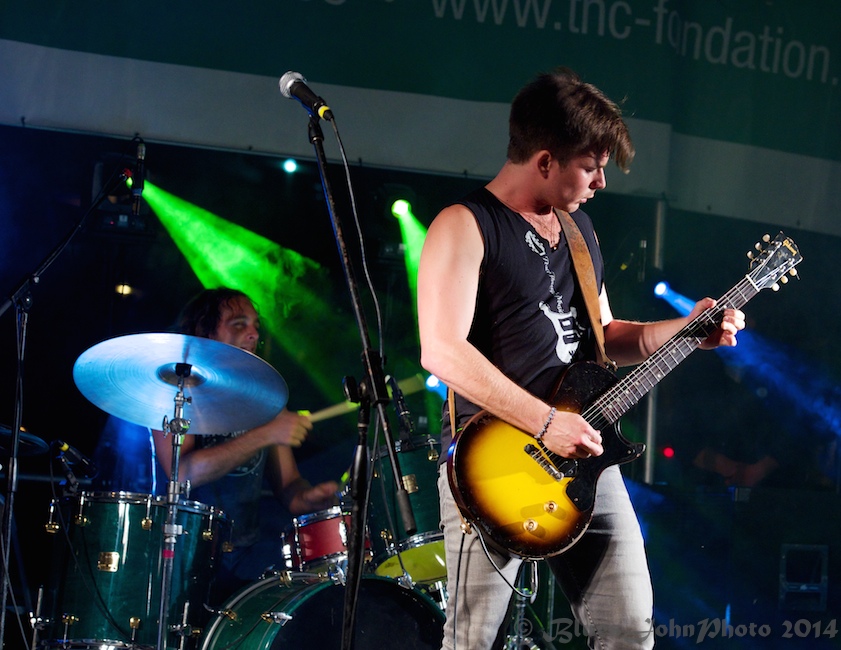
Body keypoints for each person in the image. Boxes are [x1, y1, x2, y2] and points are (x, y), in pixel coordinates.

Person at [416, 68, 746, 649]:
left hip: (587, 459)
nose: (599, 182)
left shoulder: (579, 230)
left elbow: (608, 335)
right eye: (590, 167)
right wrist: (546, 422)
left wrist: (690, 330)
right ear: (545, 161)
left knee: (628, 631)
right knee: (472, 640)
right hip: (493, 464)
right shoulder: (463, 226)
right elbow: (442, 350)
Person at [152, 287, 339, 601]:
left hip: (246, 558)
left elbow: (290, 490)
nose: (253, 333)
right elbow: (181, 474)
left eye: (255, 325)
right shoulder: (178, 391)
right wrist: (266, 434)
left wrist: (313, 500)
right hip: (182, 555)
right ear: (204, 332)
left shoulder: (265, 397)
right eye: (238, 324)